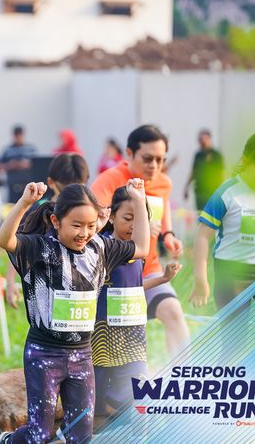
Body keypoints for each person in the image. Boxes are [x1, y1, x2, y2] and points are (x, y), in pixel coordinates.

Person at [0, 180, 150, 443]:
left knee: (81, 435)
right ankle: (9, 441)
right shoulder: (41, 249)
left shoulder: (101, 249)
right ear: (56, 221)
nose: (84, 233)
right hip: (44, 354)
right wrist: (24, 203)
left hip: (82, 356)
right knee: (39, 435)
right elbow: (5, 240)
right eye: (76, 225)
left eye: (91, 226)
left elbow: (142, 247)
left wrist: (138, 199)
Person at [90, 125, 190, 357]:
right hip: (112, 275)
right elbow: (89, 224)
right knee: (112, 339)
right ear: (129, 153)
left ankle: (184, 373)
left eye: (160, 159)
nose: (154, 165)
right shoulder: (109, 180)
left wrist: (168, 235)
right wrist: (138, 226)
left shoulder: (163, 182)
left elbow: (163, 209)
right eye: (147, 158)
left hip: (148, 270)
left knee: (174, 313)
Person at [93, 186, 182, 417]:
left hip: (132, 336)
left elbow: (133, 287)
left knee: (135, 393)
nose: (134, 225)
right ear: (112, 216)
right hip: (101, 335)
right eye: (128, 218)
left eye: (140, 219)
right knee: (96, 405)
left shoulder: (138, 255)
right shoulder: (102, 247)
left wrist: (163, 278)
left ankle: (133, 426)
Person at [189, 131, 255, 314]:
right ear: (246, 161)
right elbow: (202, 237)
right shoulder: (227, 193)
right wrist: (201, 279)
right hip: (231, 276)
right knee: (235, 332)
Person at [5, 153, 90, 307]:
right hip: (47, 287)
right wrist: (10, 281)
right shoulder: (40, 210)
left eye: (79, 186)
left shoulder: (91, 212)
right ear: (51, 182)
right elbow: (19, 243)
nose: (73, 194)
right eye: (66, 187)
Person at [183, 129, 225, 211]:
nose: (202, 142)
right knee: (201, 213)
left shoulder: (217, 155)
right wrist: (186, 187)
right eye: (200, 140)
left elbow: (222, 174)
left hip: (213, 191)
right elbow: (193, 172)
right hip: (200, 192)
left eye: (204, 139)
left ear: (209, 139)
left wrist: (223, 191)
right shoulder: (198, 155)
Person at [0, 125, 37, 203]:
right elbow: (0, 166)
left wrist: (25, 164)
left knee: (29, 205)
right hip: (12, 185)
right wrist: (11, 165)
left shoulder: (31, 149)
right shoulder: (7, 150)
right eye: (16, 135)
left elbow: (37, 164)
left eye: (20, 135)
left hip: (28, 185)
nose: (18, 137)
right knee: (12, 205)